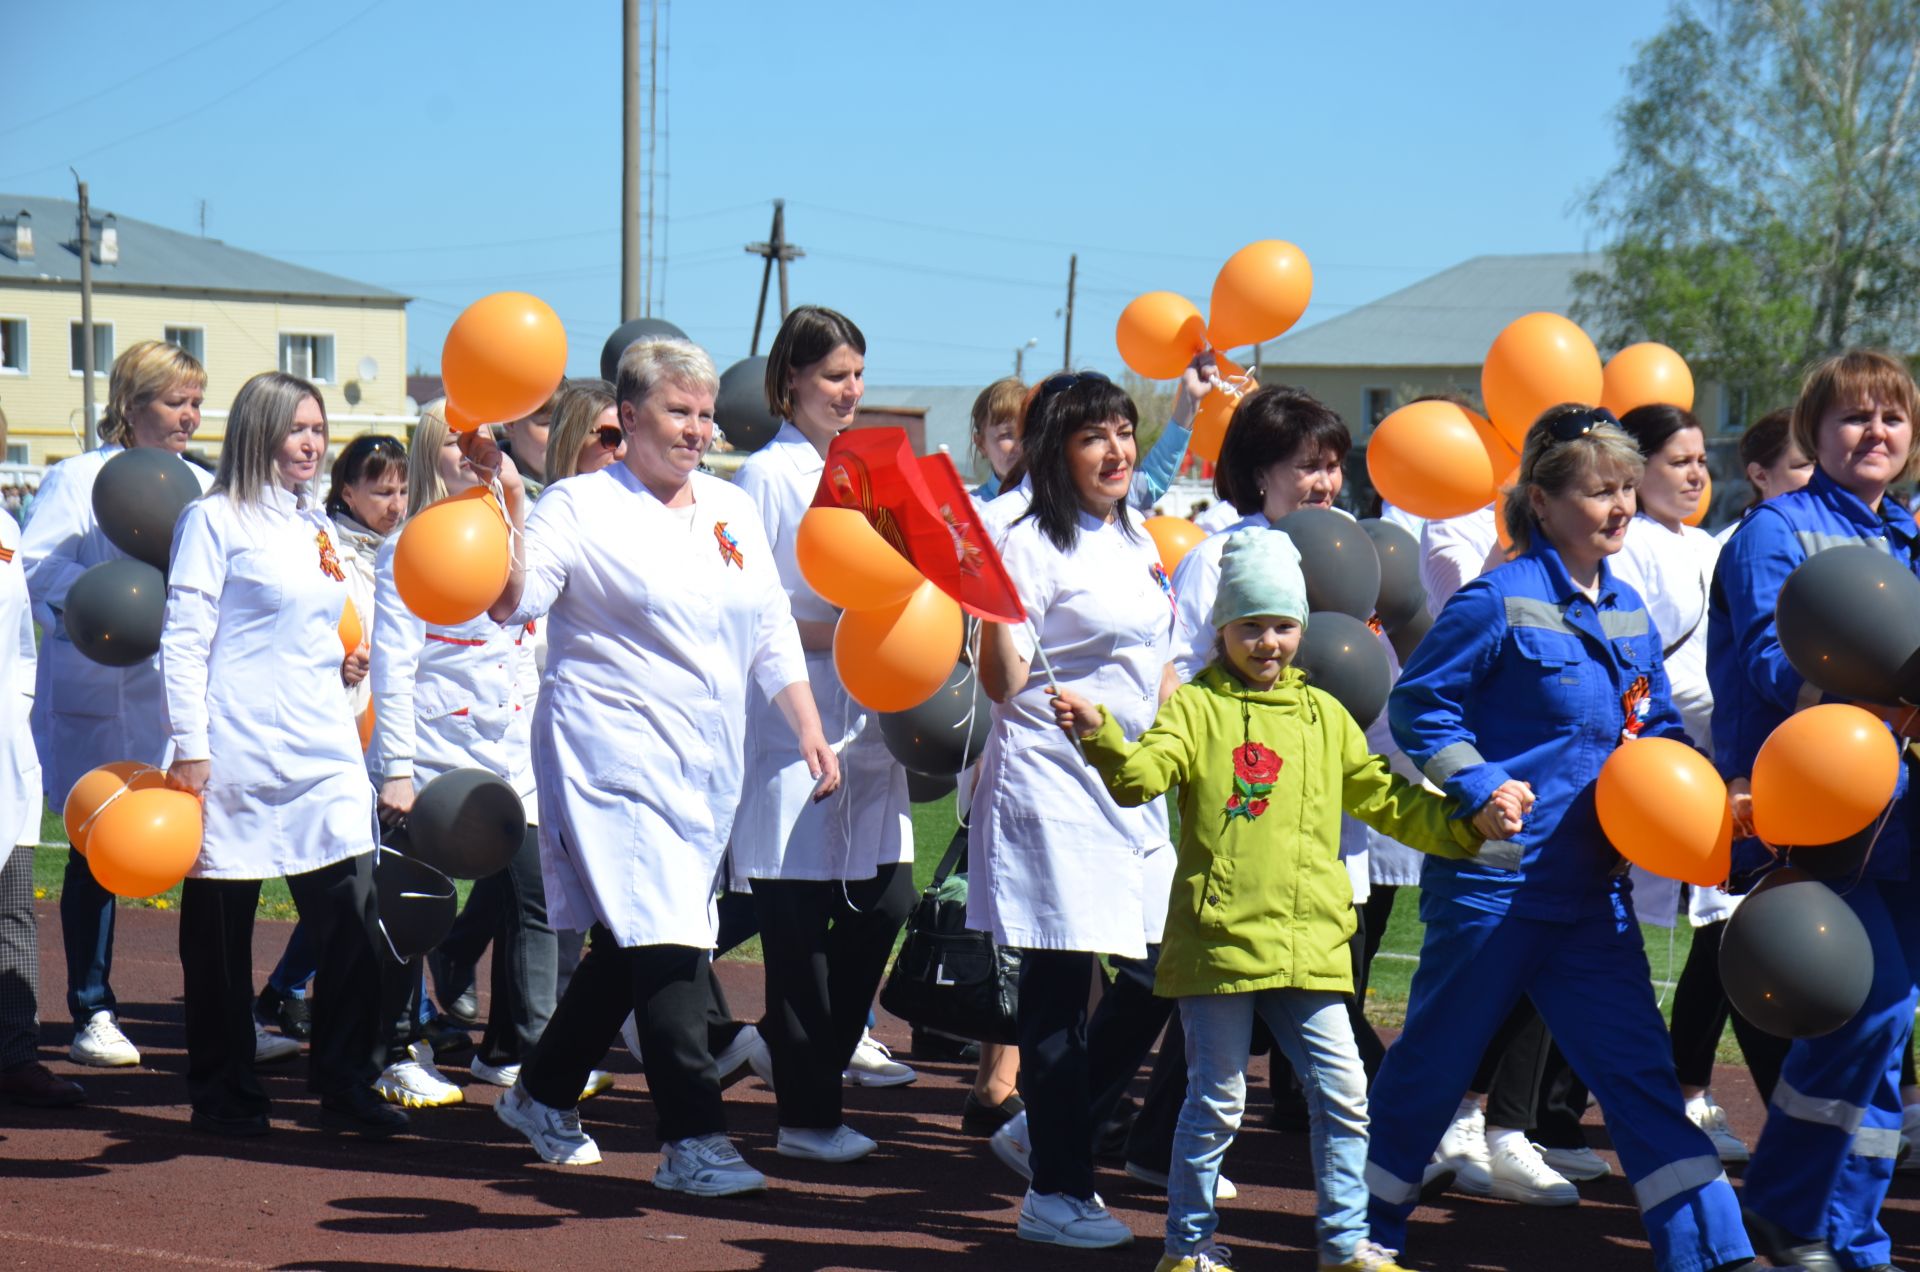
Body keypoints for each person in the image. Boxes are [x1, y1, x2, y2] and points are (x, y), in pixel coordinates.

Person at [1056, 528, 1517, 1272]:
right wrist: (1101, 735)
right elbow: (1141, 776)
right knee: (1216, 1103)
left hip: (1312, 944)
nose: (1267, 642)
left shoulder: (1327, 717)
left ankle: (1343, 1246)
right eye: (1250, 626)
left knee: (1344, 1095)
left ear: (1302, 627)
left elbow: (1387, 800)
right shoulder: (1197, 710)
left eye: (1281, 625)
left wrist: (1466, 826)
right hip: (1221, 943)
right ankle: (1188, 1247)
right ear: (1223, 630)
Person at [1368, 404, 1759, 1272]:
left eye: (1626, 487)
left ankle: (1713, 1254)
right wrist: (1477, 783)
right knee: (1431, 1072)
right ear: (1539, 502)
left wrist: (1708, 795)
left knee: (1639, 1079)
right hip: (1494, 890)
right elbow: (1420, 705)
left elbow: (1652, 729)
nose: (1619, 506)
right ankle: (1362, 1235)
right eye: (1597, 491)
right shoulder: (1496, 599)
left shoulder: (1627, 610)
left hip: (1592, 897)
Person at [478, 336, 839, 1197]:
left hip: (703, 760)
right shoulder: (577, 504)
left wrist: (808, 724)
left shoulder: (727, 507)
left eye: (707, 414)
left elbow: (768, 627)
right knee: (670, 934)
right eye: (679, 412)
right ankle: (693, 1140)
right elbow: (515, 602)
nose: (696, 431)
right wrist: (503, 507)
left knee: (637, 935)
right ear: (630, 416)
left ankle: (540, 1091)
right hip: (611, 753)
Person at [1711, 351, 1920, 1272]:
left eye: (1892, 418)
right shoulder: (1775, 532)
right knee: (1864, 1008)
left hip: (1904, 822)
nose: (1874, 433)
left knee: (1889, 1025)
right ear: (1812, 432)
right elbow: (1771, 666)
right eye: (1852, 418)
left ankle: (1852, 1235)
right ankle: (1788, 1212)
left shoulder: (1911, 537)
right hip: (1816, 814)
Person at [160, 370, 401, 1139]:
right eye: (296, 428)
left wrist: (343, 661)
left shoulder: (318, 529)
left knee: (357, 924)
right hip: (234, 749)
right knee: (220, 936)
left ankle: (346, 1079)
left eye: (318, 430)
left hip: (323, 749)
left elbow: (320, 625)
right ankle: (225, 1091)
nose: (310, 442)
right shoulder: (213, 519)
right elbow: (186, 635)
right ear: (258, 433)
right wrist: (191, 748)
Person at [971, 369, 1177, 1249]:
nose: (1118, 450)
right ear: (1058, 450)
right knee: (1056, 990)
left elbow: (1158, 660)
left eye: (1125, 431)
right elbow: (1006, 682)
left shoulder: (1133, 535)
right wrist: (992, 623)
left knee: (1160, 966)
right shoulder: (1024, 539)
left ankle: (1043, 1133)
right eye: (1095, 436)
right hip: (1050, 788)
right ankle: (1056, 1191)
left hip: (1131, 787)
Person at [727, 305, 916, 1168]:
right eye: (835, 375)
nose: (851, 391)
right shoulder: (766, 479)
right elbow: (759, 616)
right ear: (791, 381)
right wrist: (849, 622)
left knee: (886, 903)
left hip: (870, 724)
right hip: (792, 727)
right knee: (798, 939)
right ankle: (806, 1115)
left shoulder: (866, 471)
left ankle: (796, 1058)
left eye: (858, 375)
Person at [22, 339, 213, 1070]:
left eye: (195, 402)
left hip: (173, 699)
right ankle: (92, 1009)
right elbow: (38, 569)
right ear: (130, 407)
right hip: (96, 690)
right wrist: (109, 607)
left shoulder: (203, 486)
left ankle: (215, 1009)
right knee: (100, 848)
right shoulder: (78, 479)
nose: (189, 417)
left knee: (196, 852)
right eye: (175, 402)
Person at [368, 405, 557, 1110]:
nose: (477, 449)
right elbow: (395, 665)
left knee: (534, 900)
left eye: (487, 438)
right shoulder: (409, 546)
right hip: (434, 762)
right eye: (457, 440)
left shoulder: (515, 534)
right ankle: (392, 1048)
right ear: (428, 454)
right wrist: (397, 769)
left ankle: (532, 1058)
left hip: (514, 761)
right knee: (415, 910)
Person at [256, 432, 406, 1044]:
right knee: (348, 876)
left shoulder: (396, 545)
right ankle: (288, 992)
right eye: (381, 491)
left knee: (369, 872)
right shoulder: (325, 543)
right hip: (332, 722)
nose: (395, 504)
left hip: (379, 716)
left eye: (402, 491)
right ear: (347, 490)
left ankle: (295, 991)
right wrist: (335, 659)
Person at [0, 501, 84, 1108]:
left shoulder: (4, 528)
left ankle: (15, 1056)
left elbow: (17, 644)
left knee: (11, 910)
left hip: (4, 748)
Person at [543, 379, 624, 486]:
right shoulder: (553, 501)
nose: (623, 451)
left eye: (630, 438)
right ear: (572, 442)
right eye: (610, 436)